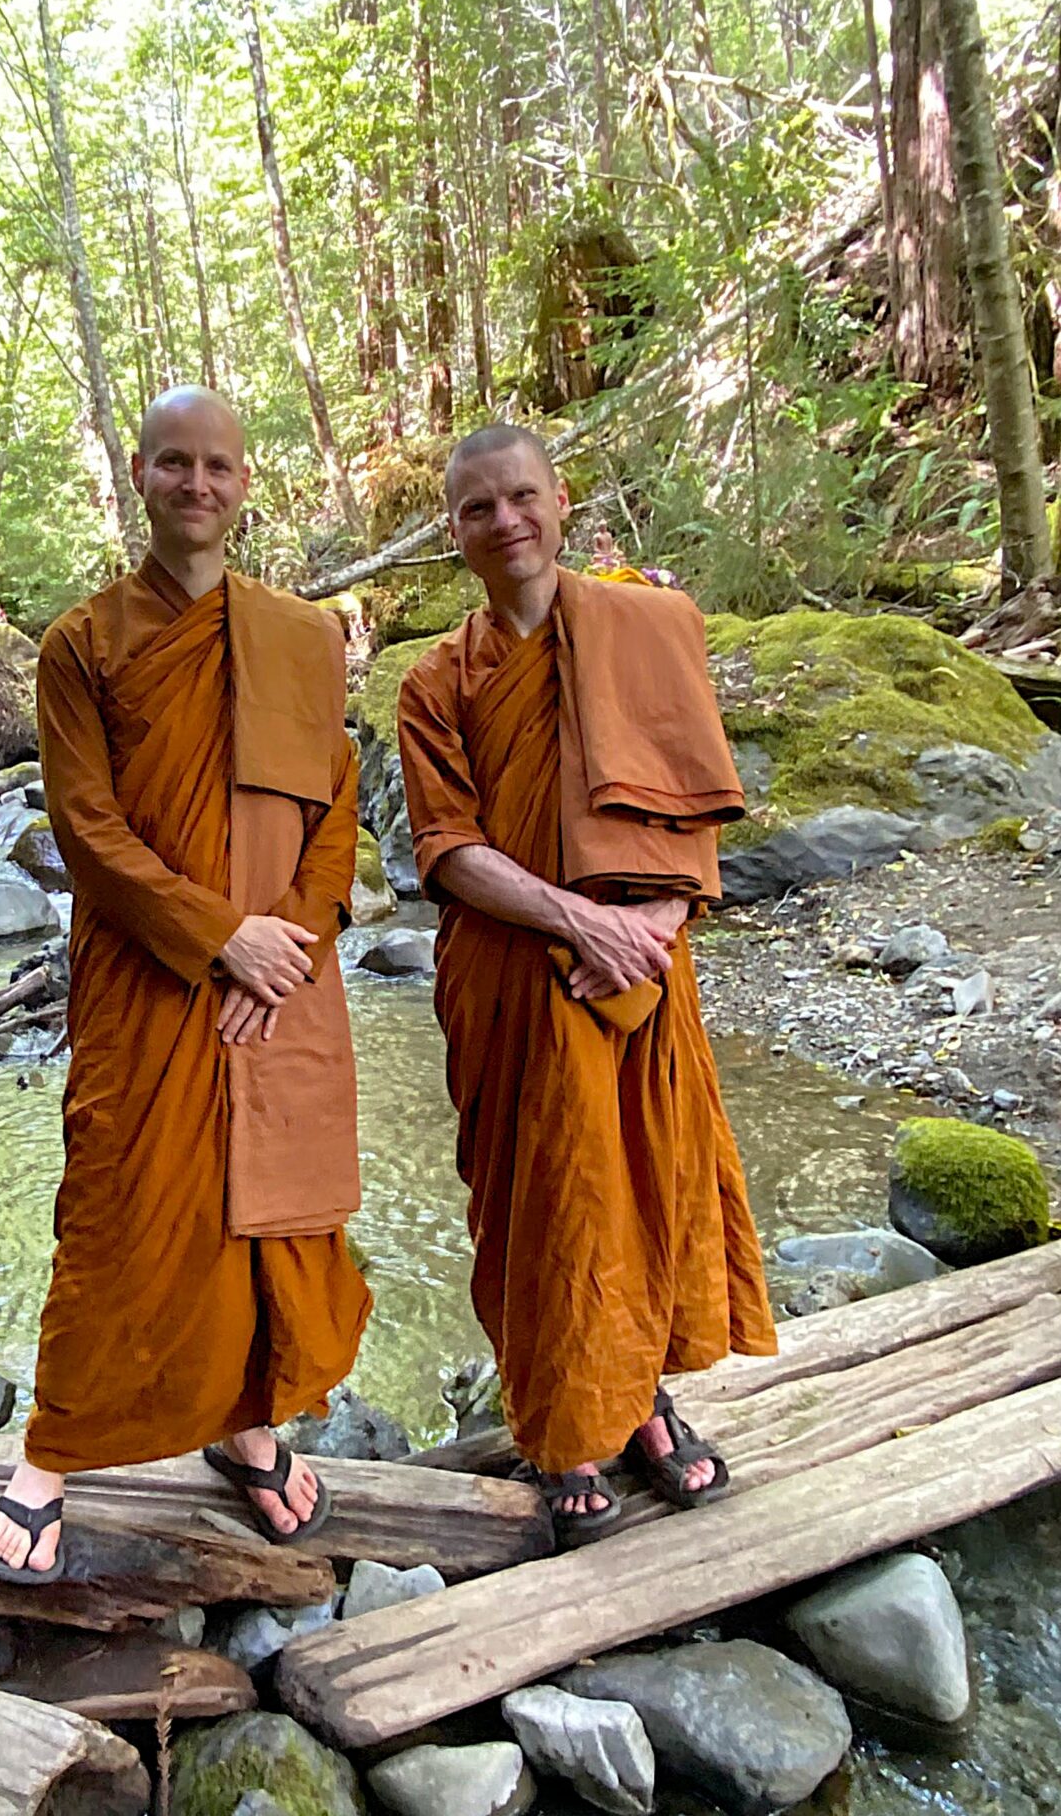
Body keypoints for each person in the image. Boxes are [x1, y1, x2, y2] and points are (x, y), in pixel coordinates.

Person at [0, 386, 372, 1581]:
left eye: (216, 465)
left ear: (244, 484)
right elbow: (85, 828)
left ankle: (244, 1424)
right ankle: (50, 1452)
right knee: (115, 1208)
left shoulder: (301, 638)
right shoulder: (82, 644)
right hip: (145, 977)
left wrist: (285, 941)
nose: (196, 484)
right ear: (139, 477)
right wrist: (217, 936)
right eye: (172, 463)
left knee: (264, 1210)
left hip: (279, 980)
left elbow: (337, 804)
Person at [396, 425, 777, 1549]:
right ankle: (562, 1429)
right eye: (477, 507)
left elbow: (694, 795)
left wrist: (651, 926)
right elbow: (445, 848)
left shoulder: (643, 628)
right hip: (514, 972)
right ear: (453, 529)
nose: (504, 521)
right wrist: (577, 922)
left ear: (560, 502)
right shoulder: (435, 683)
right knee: (543, 1198)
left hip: (646, 968)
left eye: (521, 496)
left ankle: (642, 1397)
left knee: (649, 1177)